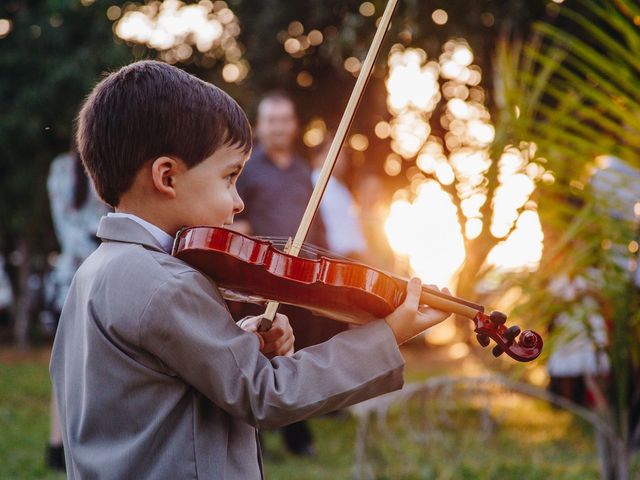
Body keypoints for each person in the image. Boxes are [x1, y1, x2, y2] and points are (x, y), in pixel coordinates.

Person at [49, 60, 451, 479]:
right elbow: (266, 394)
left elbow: (150, 383)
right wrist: (387, 336)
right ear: (167, 177)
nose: (239, 203)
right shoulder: (167, 284)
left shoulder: (95, 271)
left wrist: (231, 344)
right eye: (229, 178)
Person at [232, 92, 347, 456]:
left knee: (294, 355)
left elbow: (318, 224)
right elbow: (239, 224)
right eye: (271, 120)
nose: (279, 127)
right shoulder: (247, 170)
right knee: (257, 354)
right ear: (260, 126)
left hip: (300, 281)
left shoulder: (303, 172)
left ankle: (297, 436)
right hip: (259, 280)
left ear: (294, 125)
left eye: (285, 120)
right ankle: (254, 439)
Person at [45, 147, 109, 470]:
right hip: (72, 279)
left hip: (105, 278)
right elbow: (66, 228)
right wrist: (106, 244)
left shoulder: (116, 161)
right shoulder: (62, 168)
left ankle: (80, 444)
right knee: (65, 365)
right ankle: (57, 445)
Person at [309, 135, 367, 260]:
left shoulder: (340, 188)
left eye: (341, 153)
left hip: (350, 257)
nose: (342, 158)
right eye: (334, 152)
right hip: (334, 257)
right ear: (317, 158)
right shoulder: (316, 183)